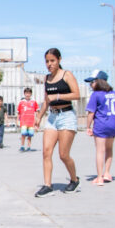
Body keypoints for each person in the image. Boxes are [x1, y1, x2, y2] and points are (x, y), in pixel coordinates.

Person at [34, 48, 81, 197]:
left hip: (66, 116)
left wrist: (59, 96)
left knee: (63, 155)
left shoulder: (67, 75)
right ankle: (47, 185)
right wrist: (39, 116)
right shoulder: (47, 78)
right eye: (47, 61)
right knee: (46, 152)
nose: (49, 64)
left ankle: (74, 180)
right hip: (52, 118)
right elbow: (46, 100)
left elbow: (77, 95)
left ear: (59, 60)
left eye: (52, 61)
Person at [84, 70, 115, 185]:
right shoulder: (114, 94)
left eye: (91, 82)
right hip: (113, 125)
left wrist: (88, 126)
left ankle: (99, 177)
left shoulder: (96, 95)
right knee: (109, 149)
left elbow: (91, 113)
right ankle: (107, 173)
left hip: (101, 125)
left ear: (98, 82)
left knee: (100, 151)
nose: (90, 85)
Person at [17, 88, 39, 152]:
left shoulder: (34, 102)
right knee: (23, 134)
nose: (27, 94)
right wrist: (17, 120)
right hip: (23, 121)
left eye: (29, 93)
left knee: (30, 134)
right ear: (24, 94)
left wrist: (37, 120)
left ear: (31, 94)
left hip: (31, 121)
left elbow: (37, 112)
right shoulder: (21, 102)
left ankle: (29, 146)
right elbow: (18, 112)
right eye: (26, 93)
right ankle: (22, 146)